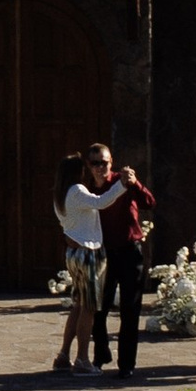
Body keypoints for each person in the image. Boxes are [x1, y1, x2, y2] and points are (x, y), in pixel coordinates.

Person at [84, 142, 157, 378]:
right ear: (88, 165)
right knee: (98, 308)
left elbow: (149, 203)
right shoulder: (85, 190)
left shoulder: (123, 181)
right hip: (103, 254)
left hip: (129, 251)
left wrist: (135, 183)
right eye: (94, 163)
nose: (99, 168)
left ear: (111, 162)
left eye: (103, 162)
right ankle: (101, 353)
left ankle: (127, 364)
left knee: (129, 310)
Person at [54, 153, 130, 374]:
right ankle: (82, 359)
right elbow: (101, 202)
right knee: (88, 308)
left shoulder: (60, 194)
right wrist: (121, 185)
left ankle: (64, 354)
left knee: (78, 305)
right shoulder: (76, 190)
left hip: (73, 253)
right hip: (87, 255)